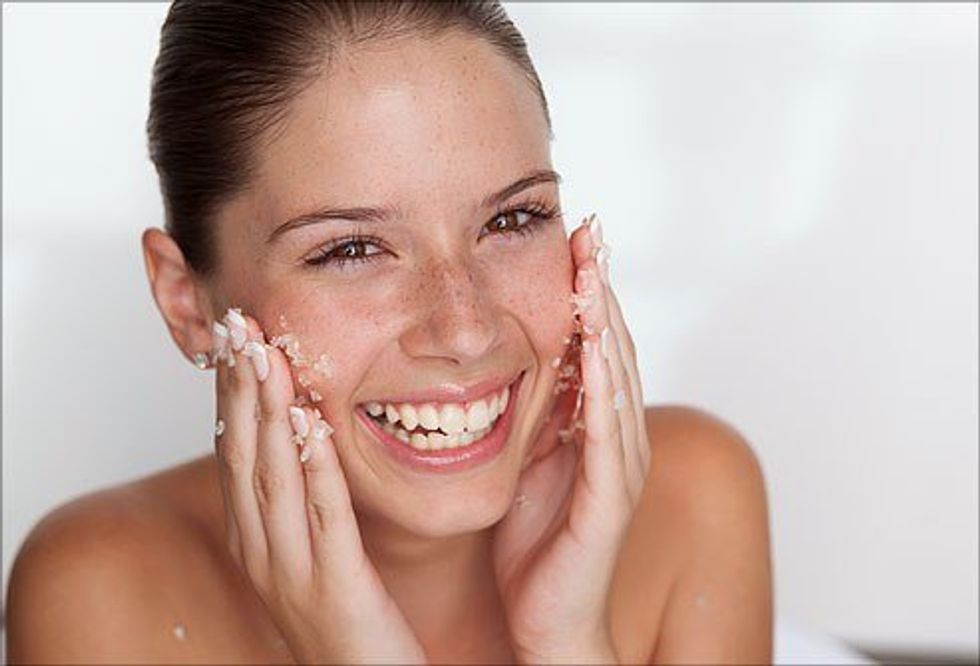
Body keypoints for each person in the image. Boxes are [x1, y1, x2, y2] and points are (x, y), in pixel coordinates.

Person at [5, 1, 772, 663]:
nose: (465, 329)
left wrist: (570, 642)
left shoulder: (691, 503)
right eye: (351, 250)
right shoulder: (102, 589)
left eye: (512, 219)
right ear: (186, 302)